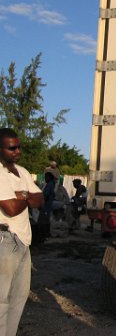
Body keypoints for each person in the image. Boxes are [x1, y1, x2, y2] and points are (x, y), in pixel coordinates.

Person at [0, 128, 44, 336]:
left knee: (19, 296)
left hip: (24, 242)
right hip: (5, 240)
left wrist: (21, 195)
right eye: (12, 148)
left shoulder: (23, 172)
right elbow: (9, 208)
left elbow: (40, 199)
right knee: (1, 300)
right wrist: (27, 197)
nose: (17, 151)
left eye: (19, 146)